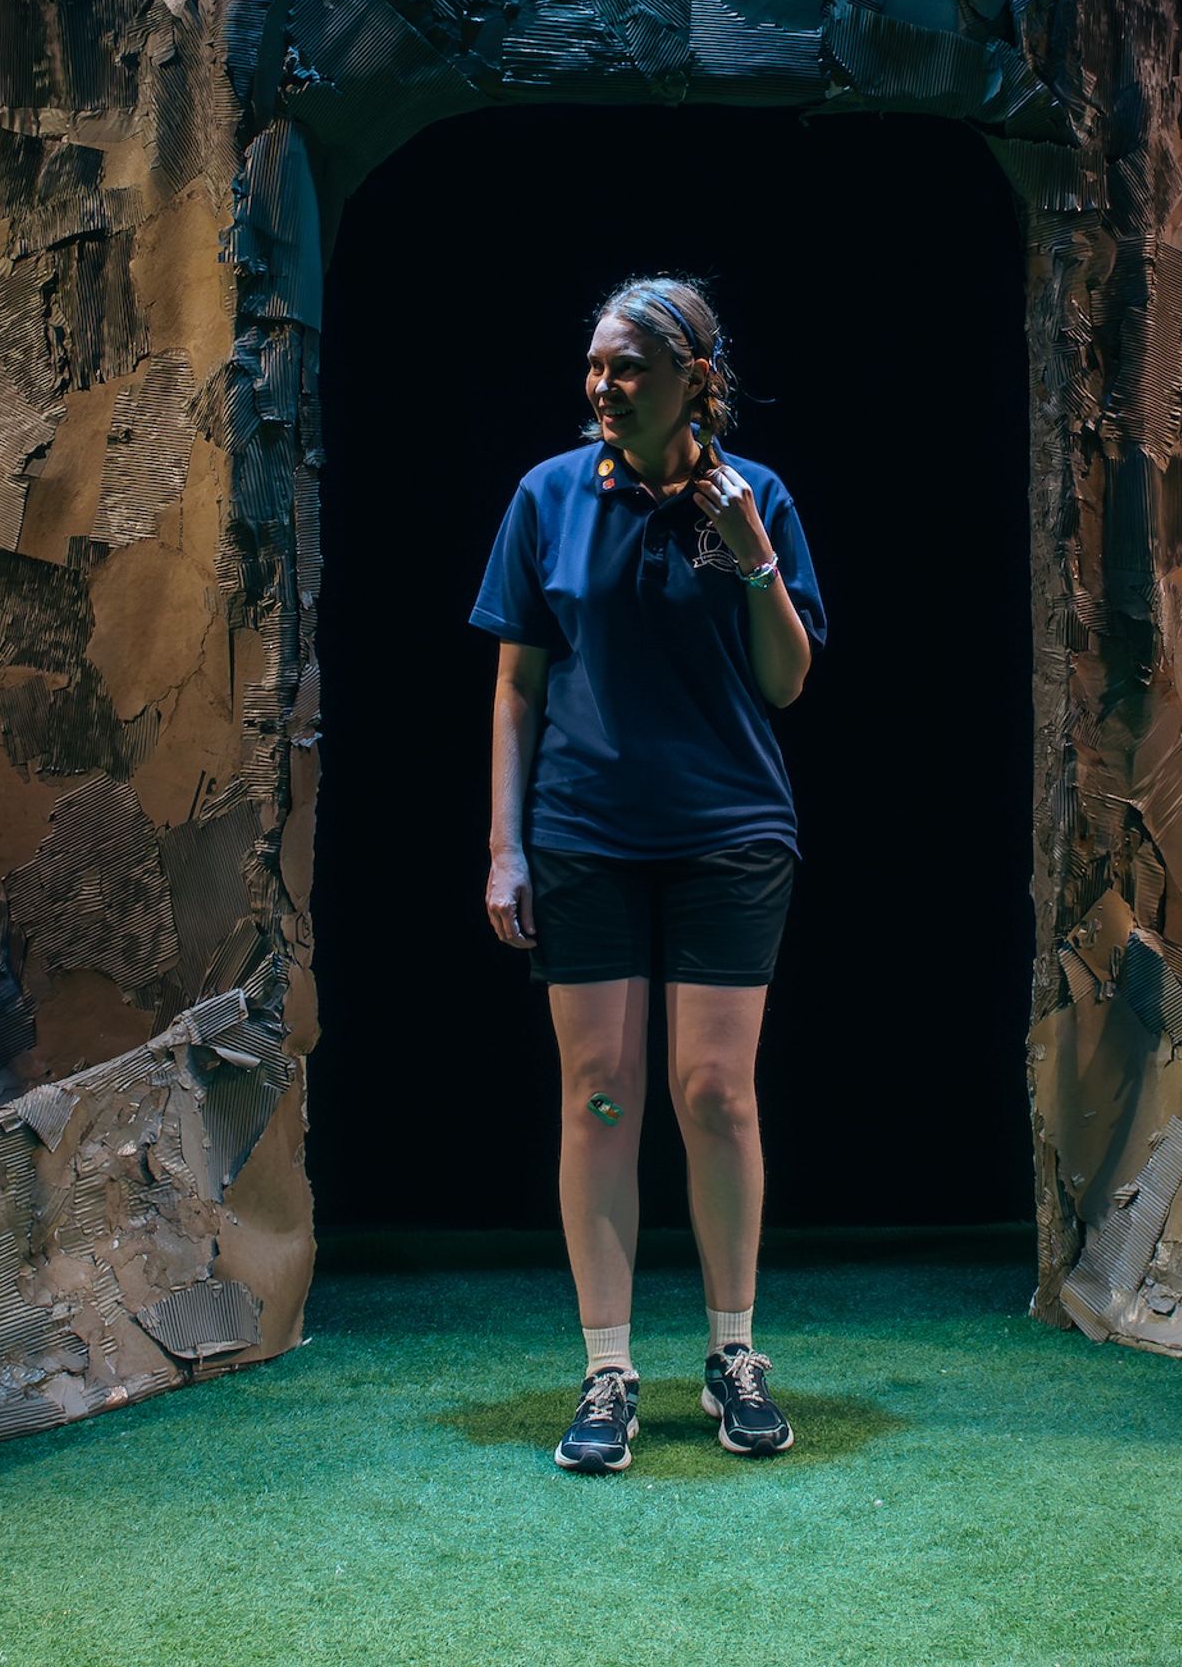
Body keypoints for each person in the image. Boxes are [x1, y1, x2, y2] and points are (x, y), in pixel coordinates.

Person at [471, 275, 825, 1473]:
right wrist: (504, 843)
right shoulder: (547, 497)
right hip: (585, 832)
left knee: (717, 1092)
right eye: (596, 366)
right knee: (602, 1096)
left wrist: (753, 556)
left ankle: (734, 1352)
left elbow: (787, 680)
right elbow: (517, 687)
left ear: (694, 379)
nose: (604, 386)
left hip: (731, 829)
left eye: (628, 366)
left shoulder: (757, 496)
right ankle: (608, 1368)